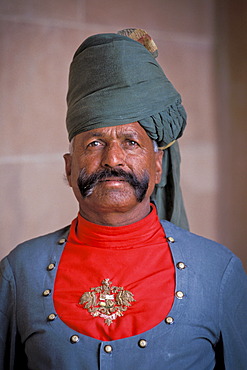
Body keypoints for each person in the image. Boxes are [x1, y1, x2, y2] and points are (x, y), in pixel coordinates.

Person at [0, 28, 246, 370]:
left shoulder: (219, 271)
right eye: (94, 143)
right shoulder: (18, 272)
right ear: (69, 167)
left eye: (130, 142)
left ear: (158, 165)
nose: (113, 159)